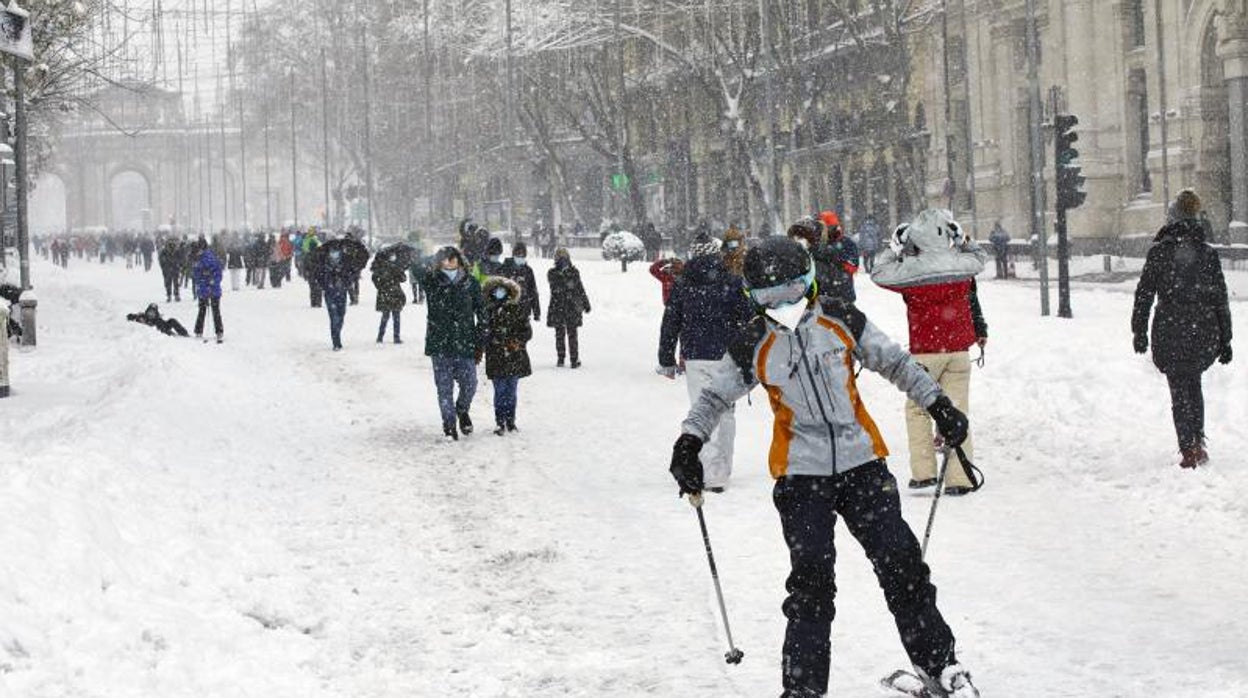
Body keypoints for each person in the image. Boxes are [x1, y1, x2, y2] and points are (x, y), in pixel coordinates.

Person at [667, 237, 979, 698]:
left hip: (863, 466)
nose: (785, 304)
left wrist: (939, 404)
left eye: (793, 291)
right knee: (811, 589)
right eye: (771, 297)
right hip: (800, 478)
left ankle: (940, 666)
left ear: (809, 283)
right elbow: (713, 396)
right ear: (754, 297)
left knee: (902, 566)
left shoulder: (841, 318)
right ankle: (803, 689)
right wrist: (689, 442)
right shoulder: (754, 339)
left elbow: (894, 362)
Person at [871, 209, 988, 496]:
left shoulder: (912, 270)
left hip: (926, 350)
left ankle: (924, 472)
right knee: (957, 410)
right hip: (958, 350)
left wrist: (894, 246)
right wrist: (962, 240)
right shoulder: (961, 265)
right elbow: (980, 259)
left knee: (918, 409)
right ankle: (960, 477)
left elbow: (878, 272)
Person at [1132, 189, 1233, 468]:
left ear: (1172, 218)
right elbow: (1219, 298)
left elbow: (1144, 294)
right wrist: (1225, 338)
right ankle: (1197, 442)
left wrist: (1138, 330)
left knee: (1179, 388)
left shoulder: (1160, 251)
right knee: (1194, 383)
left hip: (1170, 327)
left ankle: (1188, 448)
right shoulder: (1207, 253)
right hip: (1202, 328)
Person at [657, 234, 752, 491]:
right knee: (727, 413)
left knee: (703, 411)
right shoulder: (731, 282)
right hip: (726, 355)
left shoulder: (683, 284)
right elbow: (749, 317)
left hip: (696, 354)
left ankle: (708, 469)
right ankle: (721, 470)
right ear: (716, 254)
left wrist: (666, 357)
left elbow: (671, 322)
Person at [416, 246, 485, 440]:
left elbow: (482, 310)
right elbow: (415, 268)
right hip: (440, 344)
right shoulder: (432, 282)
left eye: (452, 258)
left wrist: (481, 335)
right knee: (444, 389)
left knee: (470, 384)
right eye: (444, 259)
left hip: (465, 343)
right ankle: (449, 425)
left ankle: (462, 410)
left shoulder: (470, 283)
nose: (448, 262)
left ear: (460, 260)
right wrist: (428, 259)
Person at [482, 276, 533, 435]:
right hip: (496, 356)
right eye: (497, 290)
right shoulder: (488, 311)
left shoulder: (517, 309)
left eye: (503, 290)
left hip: (514, 357)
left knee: (511, 390)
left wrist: (516, 342)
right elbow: (483, 331)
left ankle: (511, 420)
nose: (500, 293)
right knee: (499, 390)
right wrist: (491, 339)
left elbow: (527, 331)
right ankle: (500, 421)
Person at [788, 213, 859, 303]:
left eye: (822, 228)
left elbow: (852, 267)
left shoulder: (847, 243)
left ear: (832, 227)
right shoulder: (815, 243)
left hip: (841, 296)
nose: (819, 231)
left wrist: (833, 257)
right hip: (819, 297)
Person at [546, 248, 591, 368]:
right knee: (559, 333)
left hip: (572, 307)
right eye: (560, 258)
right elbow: (555, 288)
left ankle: (574, 359)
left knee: (572, 333)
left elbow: (580, 288)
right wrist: (566, 282)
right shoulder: (552, 272)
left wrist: (586, 303)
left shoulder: (574, 272)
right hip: (558, 306)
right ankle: (561, 358)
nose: (563, 260)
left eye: (565, 258)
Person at [316, 245, 356, 351]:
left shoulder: (345, 263)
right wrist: (325, 284)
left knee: (341, 315)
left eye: (336, 252)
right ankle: (336, 341)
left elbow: (351, 276)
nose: (334, 254)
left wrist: (345, 278)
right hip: (330, 293)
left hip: (342, 292)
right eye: (332, 252)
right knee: (334, 317)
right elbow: (319, 276)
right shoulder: (324, 263)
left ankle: (337, 332)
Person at [191, 239, 225, 343]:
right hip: (209, 289)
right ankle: (218, 331)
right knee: (214, 310)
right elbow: (218, 274)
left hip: (207, 289)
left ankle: (199, 330)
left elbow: (197, 276)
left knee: (204, 310)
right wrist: (212, 281)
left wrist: (209, 281)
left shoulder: (201, 260)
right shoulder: (211, 259)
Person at [371, 250, 408, 344]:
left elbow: (374, 279)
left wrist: (380, 287)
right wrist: (401, 270)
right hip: (395, 293)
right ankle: (396, 337)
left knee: (385, 316)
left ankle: (380, 336)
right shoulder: (395, 267)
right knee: (396, 316)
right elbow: (403, 279)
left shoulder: (379, 267)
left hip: (384, 294)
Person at [499, 242, 541, 323]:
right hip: (507, 310)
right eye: (518, 255)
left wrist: (536, 312)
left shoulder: (528, 271)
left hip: (524, 310)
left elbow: (533, 291)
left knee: (524, 334)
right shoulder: (504, 269)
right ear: (513, 255)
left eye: (522, 256)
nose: (520, 258)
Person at [158, 238, 182, 303]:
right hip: (168, 269)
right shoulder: (164, 251)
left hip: (175, 269)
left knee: (175, 283)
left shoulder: (177, 251)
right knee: (168, 283)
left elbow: (181, 259)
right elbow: (161, 260)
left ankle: (176, 295)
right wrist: (164, 267)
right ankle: (169, 295)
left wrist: (178, 264)